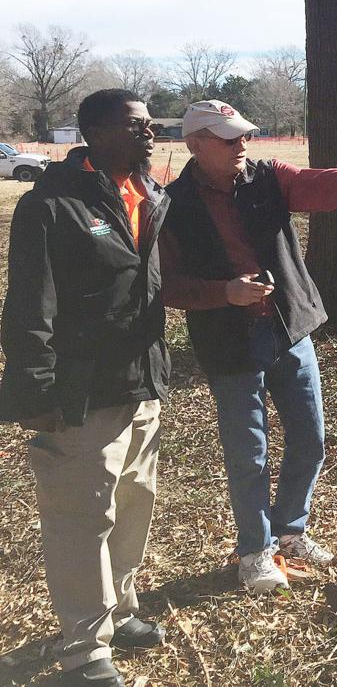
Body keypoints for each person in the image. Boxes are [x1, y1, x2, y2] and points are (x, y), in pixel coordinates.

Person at [160, 100, 337, 594]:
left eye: (242, 135)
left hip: (289, 330)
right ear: (194, 144)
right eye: (226, 137)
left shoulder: (265, 177)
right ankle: (255, 551)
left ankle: (290, 530)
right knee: (248, 452)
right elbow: (167, 285)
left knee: (309, 440)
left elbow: (313, 183)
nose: (241, 144)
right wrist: (224, 294)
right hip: (229, 342)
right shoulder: (171, 204)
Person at [0, 90, 171, 687]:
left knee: (132, 509)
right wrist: (36, 391)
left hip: (140, 384)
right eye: (133, 125)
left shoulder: (152, 195)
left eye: (149, 124)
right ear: (93, 132)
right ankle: (83, 651)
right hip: (79, 395)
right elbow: (28, 304)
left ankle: (120, 613)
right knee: (80, 519)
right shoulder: (51, 205)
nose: (148, 133)